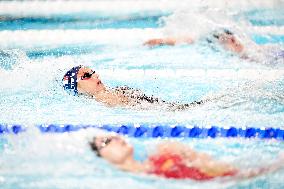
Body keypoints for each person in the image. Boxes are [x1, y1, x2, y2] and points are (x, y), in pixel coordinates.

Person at [89, 134, 284, 181]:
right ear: (101, 158)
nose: (116, 138)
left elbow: (217, 168)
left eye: (113, 135)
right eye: (107, 142)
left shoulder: (159, 157)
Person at [62, 65, 207, 111]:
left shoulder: (107, 94)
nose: (96, 75)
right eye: (87, 75)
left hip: (172, 109)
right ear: (77, 88)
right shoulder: (102, 98)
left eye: (93, 72)